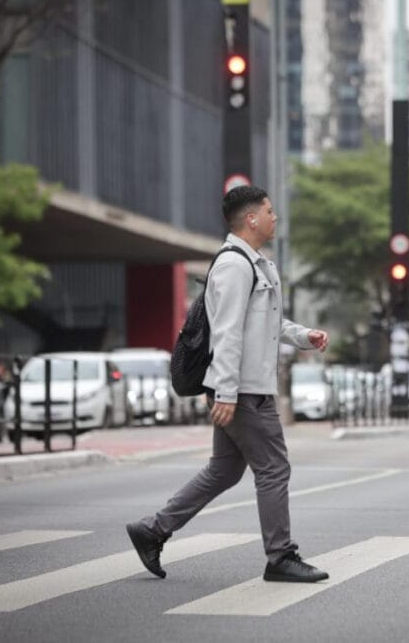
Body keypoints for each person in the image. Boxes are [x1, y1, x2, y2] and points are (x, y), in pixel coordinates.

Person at [127, 185, 331, 584]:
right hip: (244, 391)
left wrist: (303, 336)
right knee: (274, 468)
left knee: (224, 471)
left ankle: (153, 530)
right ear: (251, 219)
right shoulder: (235, 265)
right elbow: (227, 332)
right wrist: (225, 392)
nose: (275, 217)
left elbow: (266, 324)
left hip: (244, 388)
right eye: (269, 211)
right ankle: (280, 556)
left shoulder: (258, 264)